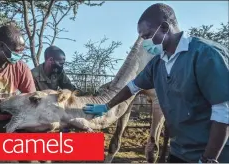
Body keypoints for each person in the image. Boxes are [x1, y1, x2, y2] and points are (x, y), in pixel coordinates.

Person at [83, 3, 229, 163]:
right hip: (179, 150)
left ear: (165, 28)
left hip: (213, 153)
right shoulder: (158, 63)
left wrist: (208, 159)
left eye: (147, 36)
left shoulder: (206, 55)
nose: (145, 42)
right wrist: (107, 106)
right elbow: (133, 87)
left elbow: (223, 111)